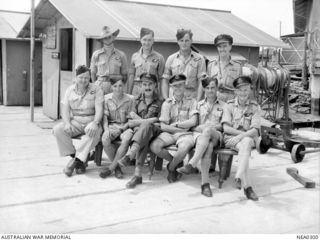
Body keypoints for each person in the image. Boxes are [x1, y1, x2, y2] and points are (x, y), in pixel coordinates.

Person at [177, 76, 225, 197]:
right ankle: (205, 184)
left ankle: (192, 163)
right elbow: (193, 124)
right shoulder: (197, 105)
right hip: (201, 137)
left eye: (213, 88)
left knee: (208, 129)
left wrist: (209, 127)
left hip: (216, 135)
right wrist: (202, 129)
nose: (210, 90)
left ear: (217, 88)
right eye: (207, 88)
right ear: (204, 89)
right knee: (207, 147)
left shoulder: (224, 105)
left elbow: (224, 126)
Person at [53, 65, 103, 177]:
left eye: (86, 77)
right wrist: (67, 123)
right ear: (76, 78)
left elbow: (100, 109)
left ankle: (75, 162)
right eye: (81, 77)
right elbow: (65, 109)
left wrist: (95, 123)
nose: (84, 80)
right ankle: (80, 161)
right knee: (58, 130)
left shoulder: (96, 89)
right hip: (76, 121)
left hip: (92, 121)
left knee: (92, 133)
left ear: (90, 77)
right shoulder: (70, 90)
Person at [116, 73, 163, 188]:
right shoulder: (135, 100)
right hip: (140, 132)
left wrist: (143, 122)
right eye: (144, 84)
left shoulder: (161, 101)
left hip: (156, 132)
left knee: (145, 129)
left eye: (150, 84)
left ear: (155, 85)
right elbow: (130, 120)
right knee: (144, 135)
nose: (147, 87)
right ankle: (137, 175)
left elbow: (160, 122)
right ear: (141, 86)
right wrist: (150, 120)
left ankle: (130, 155)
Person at [150, 74, 198, 183]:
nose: (178, 88)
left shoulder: (192, 101)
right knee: (155, 146)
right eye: (175, 86)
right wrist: (180, 129)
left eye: (180, 85)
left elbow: (193, 121)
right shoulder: (167, 104)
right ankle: (176, 162)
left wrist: (176, 125)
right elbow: (163, 126)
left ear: (185, 85)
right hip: (171, 133)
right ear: (171, 87)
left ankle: (171, 168)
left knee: (184, 148)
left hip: (186, 135)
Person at [221, 76, 261, 201]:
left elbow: (255, 130)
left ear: (250, 90)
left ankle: (243, 181)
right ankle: (245, 185)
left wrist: (241, 136)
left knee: (247, 142)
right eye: (240, 90)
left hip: (244, 139)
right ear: (235, 91)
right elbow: (226, 129)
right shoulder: (229, 106)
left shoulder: (255, 107)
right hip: (231, 139)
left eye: (246, 90)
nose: (243, 93)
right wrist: (240, 135)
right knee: (247, 143)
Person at [99, 78, 134, 179]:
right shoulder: (106, 99)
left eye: (120, 86)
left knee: (126, 139)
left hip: (126, 126)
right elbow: (105, 117)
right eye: (115, 86)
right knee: (105, 139)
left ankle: (111, 167)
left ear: (124, 86)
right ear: (111, 87)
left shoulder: (130, 99)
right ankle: (117, 167)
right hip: (112, 126)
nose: (118, 89)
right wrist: (106, 130)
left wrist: (122, 129)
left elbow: (131, 119)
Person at [162, 29, 206, 101]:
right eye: (181, 40)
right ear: (178, 42)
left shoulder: (199, 59)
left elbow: (201, 81)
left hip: (192, 97)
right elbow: (165, 80)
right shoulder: (171, 59)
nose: (184, 43)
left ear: (191, 41)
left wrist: (198, 100)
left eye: (187, 40)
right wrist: (166, 98)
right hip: (175, 97)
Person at [90, 26, 128, 95]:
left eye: (109, 37)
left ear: (113, 37)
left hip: (116, 86)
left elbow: (125, 76)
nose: (107, 39)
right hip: (100, 86)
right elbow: (93, 73)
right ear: (102, 40)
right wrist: (96, 86)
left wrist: (119, 85)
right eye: (105, 37)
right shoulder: (96, 55)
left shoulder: (121, 55)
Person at [128, 27, 165, 97]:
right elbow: (131, 76)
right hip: (137, 92)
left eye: (149, 40)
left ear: (153, 41)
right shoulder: (134, 57)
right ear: (140, 40)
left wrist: (161, 96)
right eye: (144, 40)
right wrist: (129, 94)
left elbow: (161, 79)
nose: (147, 43)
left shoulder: (159, 58)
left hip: (152, 92)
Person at [207, 34, 243, 102]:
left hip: (230, 102)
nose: (222, 49)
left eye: (225, 46)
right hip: (214, 102)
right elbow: (207, 87)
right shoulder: (211, 65)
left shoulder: (237, 66)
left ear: (230, 47)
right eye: (220, 47)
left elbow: (240, 88)